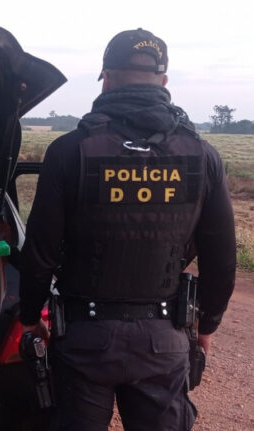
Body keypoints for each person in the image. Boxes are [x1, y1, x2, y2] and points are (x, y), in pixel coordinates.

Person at [19, 29, 236, 430]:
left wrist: (31, 316)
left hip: (84, 340)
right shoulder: (202, 155)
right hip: (164, 340)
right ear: (164, 81)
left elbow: (40, 250)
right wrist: (207, 326)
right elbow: (221, 259)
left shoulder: (69, 150)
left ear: (105, 78)